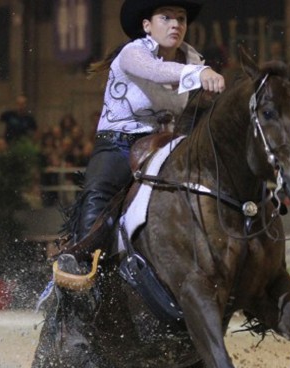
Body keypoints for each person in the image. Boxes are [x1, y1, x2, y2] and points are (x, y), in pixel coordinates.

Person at [58, 0, 225, 274]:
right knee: (99, 193)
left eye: (181, 18)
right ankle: (82, 261)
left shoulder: (193, 59)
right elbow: (157, 72)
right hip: (118, 143)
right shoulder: (132, 53)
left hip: (165, 146)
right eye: (166, 17)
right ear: (147, 26)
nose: (176, 24)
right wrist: (200, 74)